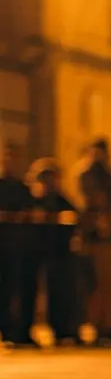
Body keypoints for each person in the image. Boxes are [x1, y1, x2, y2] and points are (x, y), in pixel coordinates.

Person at [77, 138, 111, 345]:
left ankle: (108, 324)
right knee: (96, 284)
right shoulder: (86, 173)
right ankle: (95, 325)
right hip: (95, 237)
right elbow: (89, 200)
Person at [23, 159, 79, 346]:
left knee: (60, 293)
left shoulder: (60, 198)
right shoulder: (29, 198)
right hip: (33, 253)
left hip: (59, 253)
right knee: (29, 292)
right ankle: (24, 331)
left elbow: (74, 215)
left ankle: (62, 329)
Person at [0, 143, 32, 345]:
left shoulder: (23, 188)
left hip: (20, 248)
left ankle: (19, 331)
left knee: (20, 289)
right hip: (2, 247)